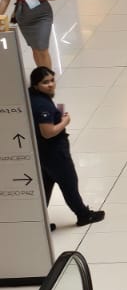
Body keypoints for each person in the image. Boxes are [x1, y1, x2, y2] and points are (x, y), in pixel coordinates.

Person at [29, 67, 106, 230]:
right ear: (36, 85)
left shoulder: (33, 97)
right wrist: (65, 121)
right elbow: (48, 132)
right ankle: (83, 215)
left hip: (42, 152)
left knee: (45, 187)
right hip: (55, 152)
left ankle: (37, 222)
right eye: (45, 82)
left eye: (52, 80)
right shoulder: (42, 105)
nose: (51, 84)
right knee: (69, 183)